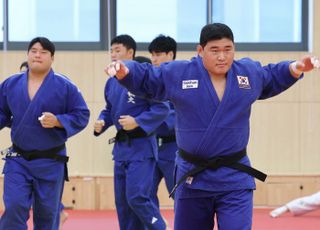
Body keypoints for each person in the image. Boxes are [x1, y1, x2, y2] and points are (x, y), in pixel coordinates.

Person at [105, 23, 320, 230]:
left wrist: (295, 67)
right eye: (214, 50)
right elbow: (150, 77)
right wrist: (126, 71)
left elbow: (271, 75)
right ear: (200, 50)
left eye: (228, 50)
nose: (222, 56)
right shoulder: (180, 73)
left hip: (234, 176)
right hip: (193, 177)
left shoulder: (247, 72)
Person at [0, 37, 90, 229]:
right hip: (18, 159)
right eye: (33, 51)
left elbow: (82, 114)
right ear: (27, 54)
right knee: (14, 207)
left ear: (52, 57)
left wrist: (58, 121)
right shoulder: (10, 84)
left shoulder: (65, 85)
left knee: (47, 215)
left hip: (51, 161)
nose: (37, 55)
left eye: (43, 52)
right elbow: (2, 112)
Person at [94, 34, 169, 230]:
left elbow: (162, 109)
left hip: (142, 148)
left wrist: (137, 122)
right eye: (111, 50)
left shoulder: (144, 79)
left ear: (130, 53)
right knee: (123, 204)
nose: (113, 54)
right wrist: (102, 121)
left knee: (137, 198)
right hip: (121, 149)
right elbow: (109, 109)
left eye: (117, 50)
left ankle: (159, 226)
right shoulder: (111, 82)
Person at [19, 60, 69, 229]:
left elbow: (78, 114)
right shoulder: (15, 89)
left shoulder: (59, 87)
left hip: (50, 154)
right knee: (17, 203)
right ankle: (60, 212)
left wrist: (57, 121)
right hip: (22, 156)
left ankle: (60, 212)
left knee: (46, 206)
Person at [148, 35, 178, 207]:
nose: (154, 59)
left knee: (178, 195)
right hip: (151, 147)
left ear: (170, 54)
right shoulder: (150, 81)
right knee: (143, 194)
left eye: (158, 54)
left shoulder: (181, 78)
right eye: (152, 55)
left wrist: (147, 119)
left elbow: (178, 117)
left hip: (173, 147)